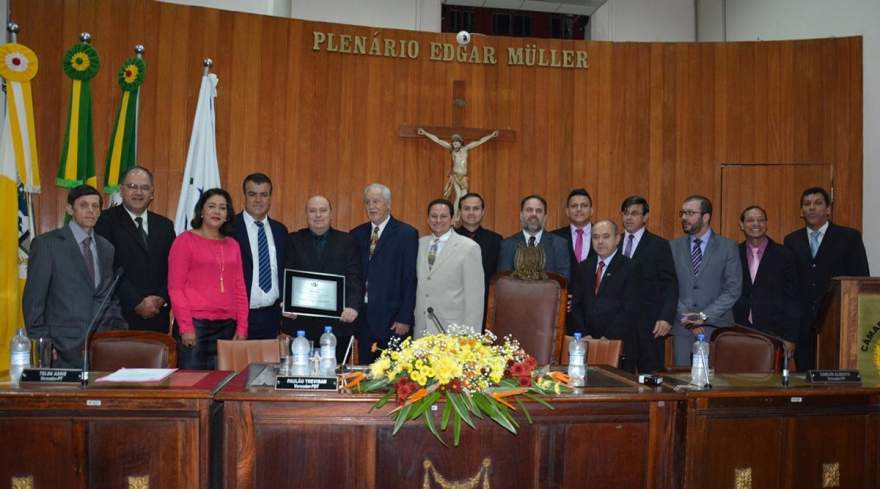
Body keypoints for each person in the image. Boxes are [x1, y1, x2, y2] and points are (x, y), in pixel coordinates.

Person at [23, 185, 127, 368]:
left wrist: (118, 332)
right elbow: (33, 301)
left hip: (101, 346)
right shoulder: (47, 244)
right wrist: (43, 343)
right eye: (84, 205)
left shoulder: (106, 248)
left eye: (95, 206)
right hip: (60, 348)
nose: (91, 211)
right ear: (70, 209)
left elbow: (107, 296)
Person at [784, 187, 869, 369]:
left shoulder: (849, 237)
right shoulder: (792, 241)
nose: (812, 208)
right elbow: (789, 286)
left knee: (835, 379)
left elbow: (861, 281)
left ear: (828, 209)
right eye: (807, 204)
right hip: (803, 326)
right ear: (801, 211)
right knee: (805, 380)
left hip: (838, 323)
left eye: (818, 203)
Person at [169, 188, 249, 369]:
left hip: (228, 327)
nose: (217, 211)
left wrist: (242, 327)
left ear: (227, 215)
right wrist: (186, 327)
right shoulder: (184, 241)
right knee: (192, 388)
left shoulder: (233, 245)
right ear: (202, 211)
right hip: (196, 327)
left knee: (224, 387)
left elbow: (240, 288)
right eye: (211, 206)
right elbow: (176, 288)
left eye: (222, 208)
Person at [282, 195, 363, 362]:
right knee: (301, 376)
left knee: (336, 378)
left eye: (323, 210)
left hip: (338, 325)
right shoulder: (293, 240)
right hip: (301, 326)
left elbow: (355, 277)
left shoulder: (347, 240)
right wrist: (286, 302)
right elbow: (285, 275)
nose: (318, 215)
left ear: (331, 214)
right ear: (306, 214)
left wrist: (353, 307)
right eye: (312, 211)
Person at [95, 166, 175, 333]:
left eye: (145, 188)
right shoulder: (105, 221)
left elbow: (174, 268)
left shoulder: (165, 225)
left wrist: (161, 298)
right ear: (121, 191)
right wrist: (136, 303)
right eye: (132, 186)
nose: (138, 192)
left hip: (157, 315)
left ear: (152, 193)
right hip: (119, 315)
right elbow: (107, 267)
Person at [669, 195, 742, 367]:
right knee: (682, 383)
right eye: (682, 213)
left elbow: (733, 290)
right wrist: (687, 317)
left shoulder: (728, 246)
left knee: (716, 384)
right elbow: (669, 287)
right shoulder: (672, 247)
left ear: (706, 216)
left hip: (715, 328)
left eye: (690, 213)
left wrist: (703, 316)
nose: (684, 218)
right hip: (683, 329)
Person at [350, 183, 418, 363]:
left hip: (394, 321)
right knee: (365, 376)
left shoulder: (407, 234)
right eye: (367, 202)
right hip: (363, 319)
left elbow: (410, 279)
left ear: (388, 204)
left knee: (392, 379)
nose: (371, 206)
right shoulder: (356, 234)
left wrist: (405, 317)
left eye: (376, 201)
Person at [618, 196, 678, 373]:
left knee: (651, 378)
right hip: (620, 325)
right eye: (626, 213)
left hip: (650, 325)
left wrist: (666, 317)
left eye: (634, 213)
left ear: (645, 217)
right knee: (621, 378)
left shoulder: (659, 245)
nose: (628, 218)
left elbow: (670, 285)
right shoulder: (614, 242)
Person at [569, 219, 639, 371]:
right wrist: (584, 334)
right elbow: (576, 305)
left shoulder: (631, 267)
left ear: (617, 239)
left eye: (606, 236)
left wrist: (608, 337)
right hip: (586, 343)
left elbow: (630, 308)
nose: (600, 241)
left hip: (618, 344)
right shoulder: (584, 267)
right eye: (595, 237)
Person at [415, 199, 484, 338]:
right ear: (428, 219)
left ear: (452, 219)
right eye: (434, 216)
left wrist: (469, 337)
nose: (438, 220)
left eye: (444, 216)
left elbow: (475, 300)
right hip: (421, 328)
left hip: (452, 330)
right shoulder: (419, 244)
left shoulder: (469, 247)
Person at [231, 173, 288, 340]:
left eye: (264, 194)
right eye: (252, 194)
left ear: (270, 198)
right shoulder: (229, 228)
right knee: (236, 366)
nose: (258, 200)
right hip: (238, 317)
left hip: (271, 317)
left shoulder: (280, 231)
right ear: (244, 197)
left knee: (269, 366)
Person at [733, 206, 799, 345]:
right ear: (742, 225)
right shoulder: (733, 254)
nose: (756, 224)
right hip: (738, 330)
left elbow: (793, 299)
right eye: (750, 220)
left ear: (766, 224)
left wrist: (789, 337)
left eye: (760, 220)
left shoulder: (784, 255)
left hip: (775, 333)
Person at [417, 128, 499, 221]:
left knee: (464, 199)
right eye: (453, 143)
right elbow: (438, 140)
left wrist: (491, 135)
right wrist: (425, 133)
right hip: (456, 176)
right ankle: (455, 218)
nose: (455, 144)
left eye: (457, 143)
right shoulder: (451, 150)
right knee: (458, 197)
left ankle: (461, 216)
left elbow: (479, 142)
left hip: (463, 178)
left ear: (461, 143)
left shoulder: (466, 149)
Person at [454, 192, 501, 328]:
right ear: (460, 211)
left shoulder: (496, 240)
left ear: (483, 212)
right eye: (466, 208)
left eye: (476, 208)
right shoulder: (450, 237)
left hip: (485, 305)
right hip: (454, 304)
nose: (471, 212)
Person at [498, 195, 570, 280]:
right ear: (521, 215)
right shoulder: (507, 245)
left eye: (539, 211)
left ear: (545, 217)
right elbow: (503, 280)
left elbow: (564, 279)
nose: (534, 214)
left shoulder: (559, 244)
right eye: (529, 210)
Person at [551, 188, 595, 281]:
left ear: (591, 210)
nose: (579, 209)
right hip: (563, 293)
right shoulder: (554, 237)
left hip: (596, 294)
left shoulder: (602, 235)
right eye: (574, 206)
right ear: (567, 211)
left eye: (584, 205)